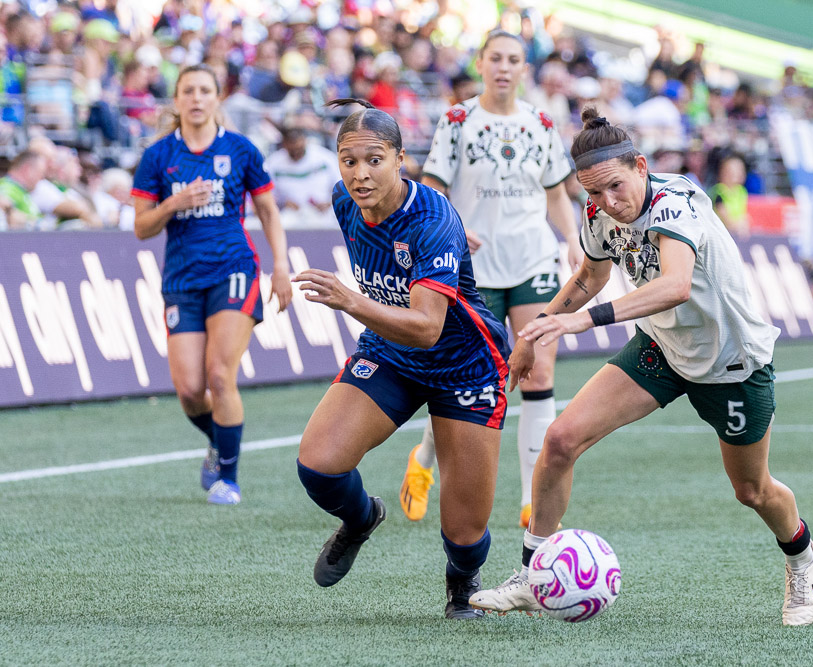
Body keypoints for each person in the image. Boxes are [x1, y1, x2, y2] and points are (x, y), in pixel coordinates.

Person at [470, 109, 813, 627]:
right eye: (593, 194)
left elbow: (675, 285)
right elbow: (591, 274)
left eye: (615, 186)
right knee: (562, 440)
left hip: (730, 361)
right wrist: (538, 327)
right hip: (661, 348)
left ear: (640, 166)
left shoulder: (674, 202)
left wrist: (581, 324)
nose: (607, 203)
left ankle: (802, 557)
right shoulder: (599, 212)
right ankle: (531, 574)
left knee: (752, 491)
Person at [292, 99, 510, 620]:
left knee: (464, 530)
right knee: (318, 466)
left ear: (400, 158)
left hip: (464, 363)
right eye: (349, 160)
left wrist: (353, 301)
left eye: (374, 159)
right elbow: (398, 321)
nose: (360, 174)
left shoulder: (432, 218)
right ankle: (362, 517)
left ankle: (462, 587)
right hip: (391, 352)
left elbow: (429, 325)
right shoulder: (345, 204)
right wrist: (366, 310)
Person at [401, 29, 583, 528]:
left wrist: (570, 237)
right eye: (496, 58)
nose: (504, 67)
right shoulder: (457, 119)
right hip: (471, 268)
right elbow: (431, 189)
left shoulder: (542, 122)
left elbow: (555, 192)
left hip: (532, 261)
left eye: (514, 60)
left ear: (524, 69)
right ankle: (423, 462)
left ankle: (529, 498)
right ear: (481, 63)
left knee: (539, 373)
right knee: (473, 379)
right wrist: (455, 229)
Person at [131, 64, 292, 505]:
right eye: (189, 91)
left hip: (234, 270)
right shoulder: (158, 156)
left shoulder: (241, 150)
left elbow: (268, 212)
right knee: (189, 391)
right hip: (181, 279)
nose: (197, 98)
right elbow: (141, 227)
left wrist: (281, 265)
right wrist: (174, 204)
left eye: (205, 90)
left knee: (221, 375)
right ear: (177, 100)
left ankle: (229, 479)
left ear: (217, 98)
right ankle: (220, 440)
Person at [263, 126, 342, 227]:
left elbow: (341, 185)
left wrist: (329, 202)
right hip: (289, 215)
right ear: (284, 145)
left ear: (305, 141)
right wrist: (283, 203)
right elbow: (267, 194)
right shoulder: (273, 163)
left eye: (299, 149)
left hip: (324, 212)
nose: (296, 153)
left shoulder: (325, 157)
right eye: (292, 150)